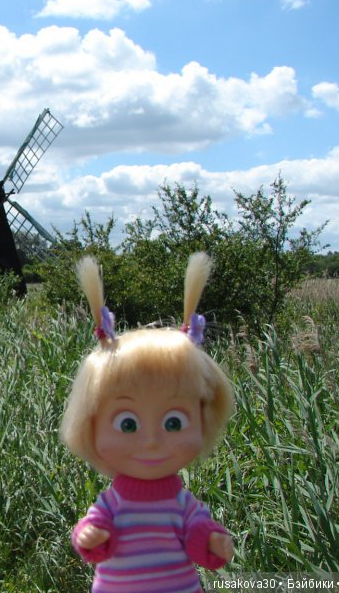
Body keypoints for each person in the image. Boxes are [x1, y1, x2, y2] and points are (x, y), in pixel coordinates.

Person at [60, 252, 235, 593]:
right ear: (89, 423)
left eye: (173, 423)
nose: (152, 441)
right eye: (128, 424)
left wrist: (214, 542)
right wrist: (91, 536)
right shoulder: (113, 503)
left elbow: (198, 532)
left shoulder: (183, 505)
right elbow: (92, 535)